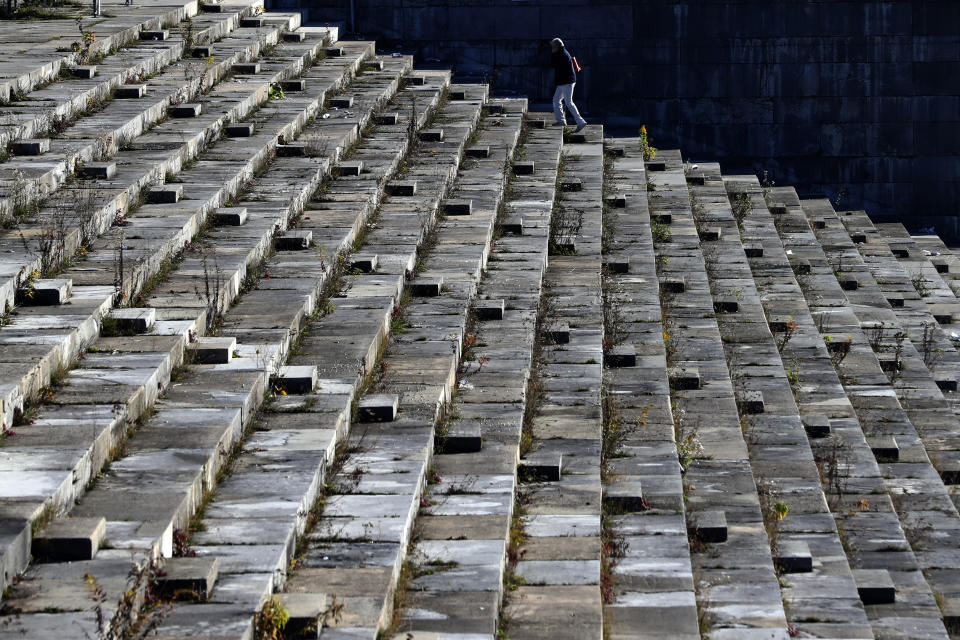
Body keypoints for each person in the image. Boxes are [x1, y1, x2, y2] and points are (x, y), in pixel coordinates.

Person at [550, 37, 586, 133]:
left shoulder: (562, 55)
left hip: (566, 82)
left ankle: (580, 122)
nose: (552, 48)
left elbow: (556, 66)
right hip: (564, 82)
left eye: (553, 46)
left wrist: (553, 56)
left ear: (557, 46)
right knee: (556, 100)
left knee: (568, 102)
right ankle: (561, 121)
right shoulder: (561, 53)